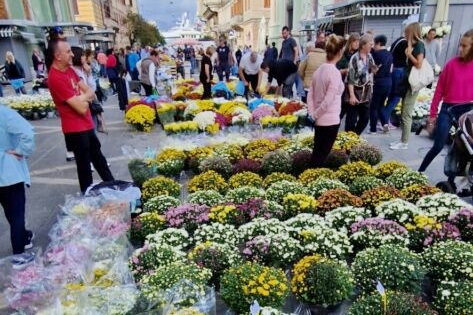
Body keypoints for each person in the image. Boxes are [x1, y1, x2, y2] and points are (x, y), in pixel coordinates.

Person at [48, 39, 114, 194]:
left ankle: (113, 187)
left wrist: (82, 98)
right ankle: (88, 198)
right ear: (58, 56)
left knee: (99, 159)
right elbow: (80, 107)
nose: (72, 54)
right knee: (84, 167)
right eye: (68, 51)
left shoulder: (70, 70)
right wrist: (83, 99)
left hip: (87, 125)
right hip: (75, 129)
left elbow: (90, 91)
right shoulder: (55, 78)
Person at [418, 29, 473, 175]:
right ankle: (420, 171)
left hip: (468, 110)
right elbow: (439, 91)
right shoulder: (451, 64)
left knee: (466, 148)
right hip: (448, 109)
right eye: (460, 45)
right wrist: (432, 114)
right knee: (438, 145)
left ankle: (455, 178)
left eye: (464, 46)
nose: (460, 49)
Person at [0, 103, 35, 259]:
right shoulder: (4, 113)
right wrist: (21, 151)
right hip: (8, 169)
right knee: (16, 213)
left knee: (10, 211)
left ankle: (24, 236)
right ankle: (19, 255)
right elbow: (27, 133)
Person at [307, 34, 347, 167]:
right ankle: (312, 181)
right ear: (340, 52)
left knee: (317, 154)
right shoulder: (334, 73)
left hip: (319, 121)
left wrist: (313, 114)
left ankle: (308, 179)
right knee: (321, 157)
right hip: (330, 122)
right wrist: (315, 114)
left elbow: (310, 94)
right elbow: (328, 100)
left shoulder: (319, 70)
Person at [390, 22, 425, 150]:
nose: (405, 35)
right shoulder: (413, 45)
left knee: (406, 113)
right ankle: (402, 140)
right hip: (407, 81)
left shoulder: (420, 45)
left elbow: (419, 64)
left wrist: (409, 54)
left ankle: (404, 142)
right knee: (405, 109)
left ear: (412, 32)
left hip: (413, 83)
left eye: (406, 32)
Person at [345, 34, 376, 135]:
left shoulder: (370, 56)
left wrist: (374, 69)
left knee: (365, 118)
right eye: (370, 44)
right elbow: (350, 78)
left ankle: (355, 136)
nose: (372, 46)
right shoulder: (354, 58)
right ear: (363, 45)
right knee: (351, 120)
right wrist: (352, 96)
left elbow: (371, 71)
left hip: (366, 93)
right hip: (355, 92)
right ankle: (348, 143)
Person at [369, 34, 393, 134]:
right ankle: (385, 124)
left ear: (378, 43)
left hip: (378, 82)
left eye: (374, 44)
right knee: (381, 105)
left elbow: (371, 68)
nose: (373, 46)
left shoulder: (376, 54)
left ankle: (373, 129)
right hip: (388, 82)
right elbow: (391, 69)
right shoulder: (390, 54)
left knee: (373, 106)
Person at [337, 33, 360, 118]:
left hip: (354, 85)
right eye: (355, 42)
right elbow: (336, 70)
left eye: (359, 42)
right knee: (341, 109)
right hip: (343, 84)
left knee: (351, 113)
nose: (357, 44)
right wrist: (346, 70)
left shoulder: (358, 55)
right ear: (350, 42)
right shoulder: (342, 54)